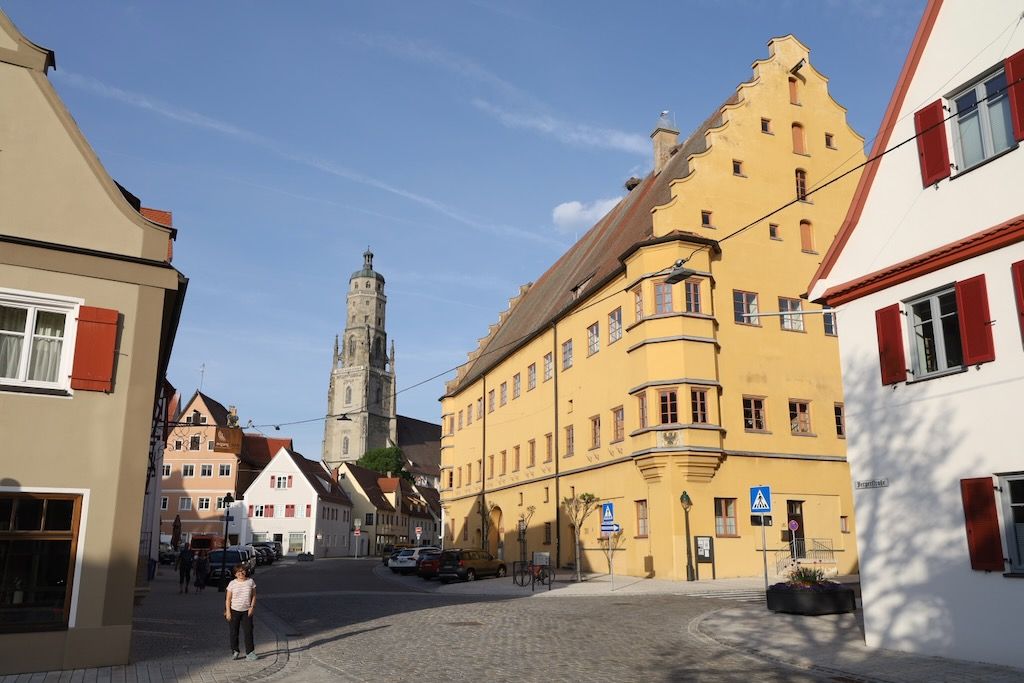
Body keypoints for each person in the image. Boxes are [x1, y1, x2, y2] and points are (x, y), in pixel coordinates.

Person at [224, 564, 257, 661]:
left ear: (246, 572)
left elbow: (254, 596)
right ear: (235, 574)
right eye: (238, 572)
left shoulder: (250, 582)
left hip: (247, 611)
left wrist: (252, 607)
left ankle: (250, 652)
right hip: (234, 610)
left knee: (248, 631)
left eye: (242, 571)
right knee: (234, 632)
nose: (241, 573)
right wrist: (228, 612)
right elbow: (228, 599)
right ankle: (235, 651)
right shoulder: (232, 584)